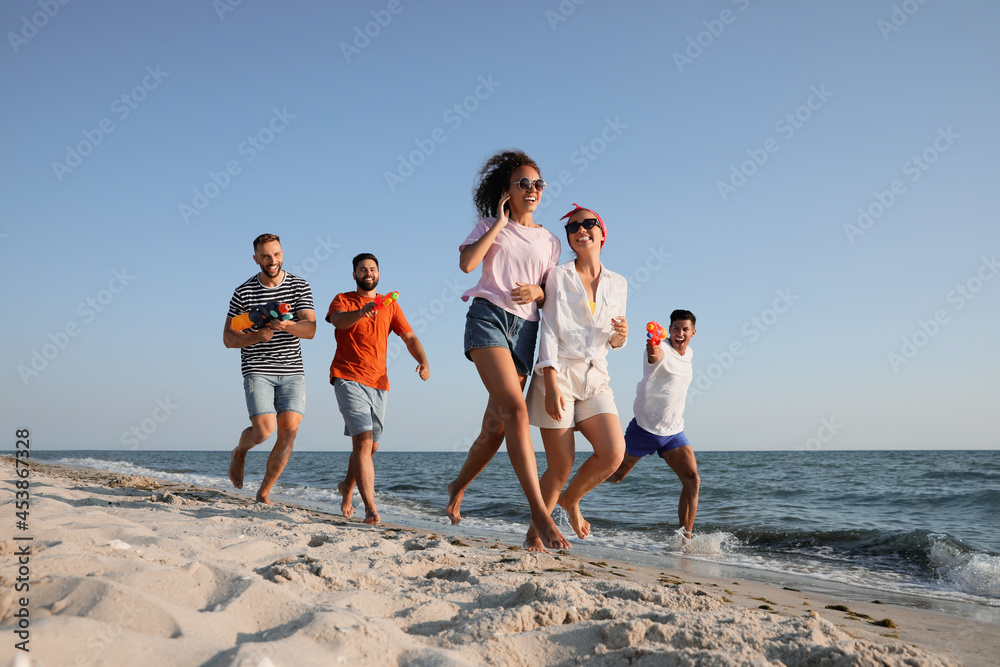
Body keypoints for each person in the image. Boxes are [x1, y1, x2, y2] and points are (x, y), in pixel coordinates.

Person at [445, 149, 570, 551]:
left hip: (526, 333)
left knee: (495, 428)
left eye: (538, 184)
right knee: (516, 411)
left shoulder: (551, 240)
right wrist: (499, 223)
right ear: (507, 191)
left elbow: (554, 293)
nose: (532, 189)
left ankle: (457, 485)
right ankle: (539, 512)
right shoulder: (488, 225)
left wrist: (539, 290)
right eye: (523, 183)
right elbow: (467, 265)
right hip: (488, 319)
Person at [523, 204, 628, 547]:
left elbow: (612, 340)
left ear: (602, 233)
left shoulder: (619, 283)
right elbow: (549, 331)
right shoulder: (558, 275)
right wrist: (550, 383)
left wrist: (621, 336)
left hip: (597, 376)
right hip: (560, 374)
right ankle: (534, 535)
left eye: (588, 224)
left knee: (613, 454)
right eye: (573, 227)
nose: (580, 229)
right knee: (560, 466)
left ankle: (570, 500)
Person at [327, 253, 429, 525]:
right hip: (347, 376)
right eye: (362, 269)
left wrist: (423, 361)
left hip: (379, 382)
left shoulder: (390, 306)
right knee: (362, 440)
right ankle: (371, 509)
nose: (367, 273)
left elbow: (409, 336)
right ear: (355, 275)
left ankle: (346, 487)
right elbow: (338, 321)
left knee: (371, 447)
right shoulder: (343, 299)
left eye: (372, 269)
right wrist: (360, 312)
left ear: (379, 274)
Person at [225, 233, 316, 504]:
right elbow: (229, 338)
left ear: (282, 254)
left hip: (292, 369)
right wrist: (257, 336)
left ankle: (264, 491)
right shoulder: (243, 292)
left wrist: (287, 325)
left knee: (289, 431)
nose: (272, 260)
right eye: (265, 256)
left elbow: (310, 330)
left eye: (276, 254)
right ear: (256, 259)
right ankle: (239, 452)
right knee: (264, 430)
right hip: (258, 368)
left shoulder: (300, 286)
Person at [609, 310, 700, 539]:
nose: (680, 333)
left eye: (685, 329)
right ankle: (568, 494)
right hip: (644, 429)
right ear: (669, 330)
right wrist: (653, 347)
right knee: (614, 474)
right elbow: (655, 355)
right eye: (676, 328)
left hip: (673, 432)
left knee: (692, 479)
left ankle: (684, 538)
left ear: (693, 333)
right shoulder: (661, 348)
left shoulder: (689, 354)